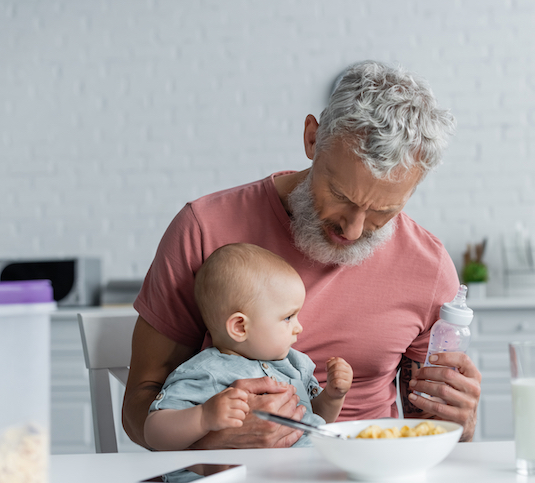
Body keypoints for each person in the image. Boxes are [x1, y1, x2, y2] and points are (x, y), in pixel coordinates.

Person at [124, 60, 482, 450]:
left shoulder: (429, 269)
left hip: (369, 474)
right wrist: (216, 442)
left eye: (383, 212)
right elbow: (139, 408)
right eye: (341, 196)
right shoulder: (204, 229)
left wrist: (460, 424)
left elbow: (427, 431)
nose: (353, 230)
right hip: (234, 478)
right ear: (312, 138)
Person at [143, 243, 353, 451]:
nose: (299, 327)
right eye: (288, 317)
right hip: (253, 472)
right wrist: (203, 417)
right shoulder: (206, 372)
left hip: (313, 462)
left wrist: (333, 396)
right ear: (240, 327)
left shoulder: (296, 364)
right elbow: (154, 432)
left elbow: (315, 419)